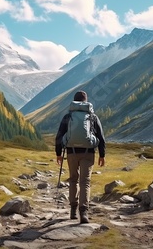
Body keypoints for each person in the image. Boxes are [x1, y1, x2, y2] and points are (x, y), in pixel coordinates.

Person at [55, 90, 106, 223]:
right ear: (85, 101)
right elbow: (100, 136)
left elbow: (59, 135)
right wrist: (102, 155)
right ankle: (83, 213)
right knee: (85, 182)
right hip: (88, 152)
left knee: (73, 180)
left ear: (75, 101)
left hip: (71, 152)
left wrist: (58, 154)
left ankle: (73, 210)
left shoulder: (68, 116)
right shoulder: (92, 116)